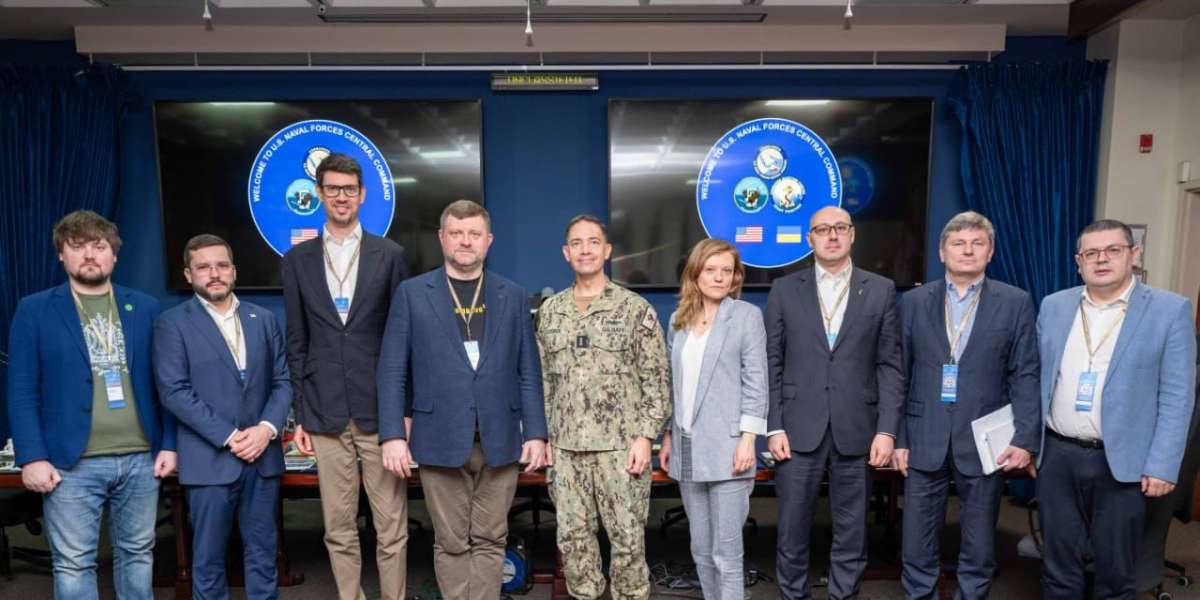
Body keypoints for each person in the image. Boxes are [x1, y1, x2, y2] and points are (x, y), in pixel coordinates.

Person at [376, 200, 548, 600]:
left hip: (500, 439)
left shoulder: (512, 295)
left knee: (491, 539)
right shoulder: (412, 294)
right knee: (451, 542)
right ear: (442, 238)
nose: (465, 241)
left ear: (489, 241)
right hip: (439, 437)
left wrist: (536, 433)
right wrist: (392, 435)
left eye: (474, 234)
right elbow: (392, 370)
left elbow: (528, 370)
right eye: (456, 233)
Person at [6, 210, 176, 599]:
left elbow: (164, 383)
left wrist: (169, 444)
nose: (89, 255)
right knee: (73, 563)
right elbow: (21, 389)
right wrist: (32, 457)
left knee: (138, 555)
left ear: (113, 254)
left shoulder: (145, 307)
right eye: (77, 246)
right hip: (69, 463)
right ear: (60, 254)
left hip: (141, 458)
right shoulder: (35, 309)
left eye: (98, 246)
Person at [1035, 219, 1196, 599]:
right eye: (1091, 253)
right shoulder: (1054, 306)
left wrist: (1163, 464)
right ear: (1078, 262)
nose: (1101, 259)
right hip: (1057, 455)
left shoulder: (1170, 311)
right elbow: (1035, 380)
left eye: (1113, 250)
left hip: (1123, 462)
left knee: (1115, 572)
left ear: (1134, 255)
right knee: (1057, 565)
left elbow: (1178, 396)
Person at [281, 153, 411, 600]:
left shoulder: (390, 255)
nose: (342, 196)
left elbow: (402, 340)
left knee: (391, 527)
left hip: (380, 412)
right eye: (333, 188)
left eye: (349, 189)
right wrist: (301, 413)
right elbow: (297, 342)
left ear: (363, 194)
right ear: (319, 193)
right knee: (338, 529)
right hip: (324, 412)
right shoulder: (297, 260)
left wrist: (403, 412)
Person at [892, 211, 1040, 600]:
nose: (968, 250)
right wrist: (898, 437)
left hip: (986, 438)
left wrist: (1025, 438)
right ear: (942, 252)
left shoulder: (1015, 302)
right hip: (923, 434)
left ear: (990, 252)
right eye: (958, 243)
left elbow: (1025, 373)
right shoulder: (913, 301)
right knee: (916, 539)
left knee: (979, 540)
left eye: (977, 243)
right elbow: (899, 374)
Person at [765, 205, 905, 600]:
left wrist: (887, 430)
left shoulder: (880, 289)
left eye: (840, 228)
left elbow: (890, 365)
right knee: (792, 529)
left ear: (852, 234)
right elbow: (771, 362)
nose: (832, 235)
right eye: (822, 229)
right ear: (809, 239)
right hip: (796, 428)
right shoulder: (784, 289)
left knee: (852, 531)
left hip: (858, 427)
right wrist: (773, 425)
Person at [535, 214, 671, 600]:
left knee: (627, 543)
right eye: (576, 243)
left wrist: (645, 437)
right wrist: (544, 437)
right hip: (566, 452)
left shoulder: (633, 309)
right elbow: (544, 382)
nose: (585, 250)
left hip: (620, 450)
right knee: (574, 544)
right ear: (566, 253)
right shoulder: (550, 312)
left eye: (593, 242)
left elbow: (657, 379)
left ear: (607, 251)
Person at [153, 234, 292, 600]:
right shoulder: (172, 323)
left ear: (234, 270)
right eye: (203, 267)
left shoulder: (263, 319)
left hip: (262, 457)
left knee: (263, 554)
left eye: (222, 265)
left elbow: (282, 381)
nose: (214, 274)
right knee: (209, 560)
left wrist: (265, 430)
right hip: (209, 459)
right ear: (188, 274)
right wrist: (231, 436)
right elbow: (174, 392)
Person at [658, 238, 767, 600]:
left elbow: (756, 382)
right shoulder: (678, 320)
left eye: (727, 271)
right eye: (711, 270)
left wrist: (748, 440)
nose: (720, 277)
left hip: (729, 450)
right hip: (687, 448)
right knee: (701, 551)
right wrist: (668, 435)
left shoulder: (746, 317)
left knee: (726, 555)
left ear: (736, 277)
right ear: (696, 273)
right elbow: (673, 385)